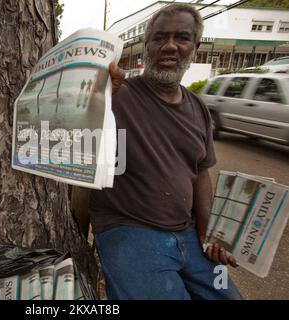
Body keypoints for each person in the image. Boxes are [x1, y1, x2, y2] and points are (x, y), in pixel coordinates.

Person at [89, 4, 242, 300]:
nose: (169, 46)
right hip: (129, 232)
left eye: (181, 38)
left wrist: (209, 234)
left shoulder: (198, 108)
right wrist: (99, 96)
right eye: (159, 38)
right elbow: (73, 128)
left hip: (188, 236)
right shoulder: (118, 93)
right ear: (147, 46)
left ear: (195, 46)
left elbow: (200, 173)